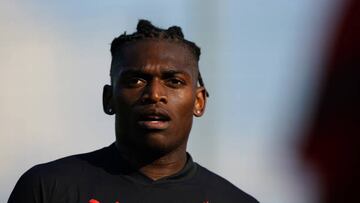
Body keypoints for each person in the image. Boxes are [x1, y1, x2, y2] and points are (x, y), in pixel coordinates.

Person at [8, 20, 258, 203]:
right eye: (135, 81)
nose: (154, 94)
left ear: (199, 101)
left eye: (174, 81)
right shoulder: (47, 188)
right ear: (109, 99)